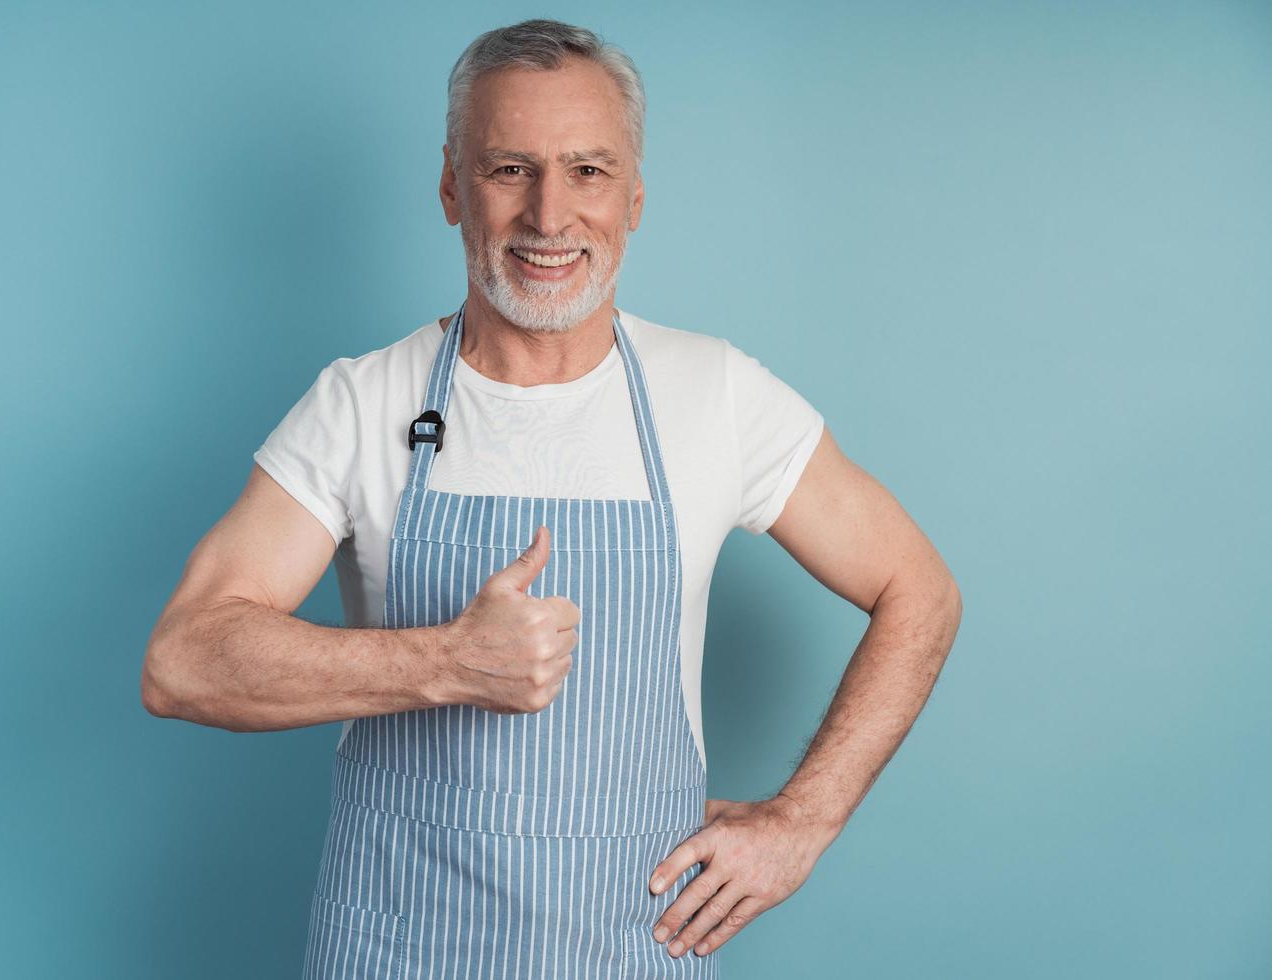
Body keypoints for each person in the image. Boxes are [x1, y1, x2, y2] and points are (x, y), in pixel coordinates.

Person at [141, 17, 962, 979]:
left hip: (632, 950)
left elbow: (920, 588)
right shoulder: (363, 403)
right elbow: (183, 661)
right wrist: (446, 661)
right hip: (397, 948)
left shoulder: (716, 395)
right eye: (508, 170)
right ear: (452, 186)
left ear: (636, 197)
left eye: (587, 172)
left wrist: (802, 821)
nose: (548, 216)